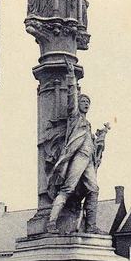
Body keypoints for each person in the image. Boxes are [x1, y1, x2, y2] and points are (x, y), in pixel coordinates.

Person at [48, 58, 106, 232]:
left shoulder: (87, 124)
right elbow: (72, 96)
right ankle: (51, 222)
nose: (86, 104)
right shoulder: (74, 117)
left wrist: (101, 137)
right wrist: (71, 76)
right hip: (78, 157)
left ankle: (91, 226)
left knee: (94, 189)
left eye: (88, 102)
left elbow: (93, 147)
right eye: (83, 101)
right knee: (68, 188)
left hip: (88, 159)